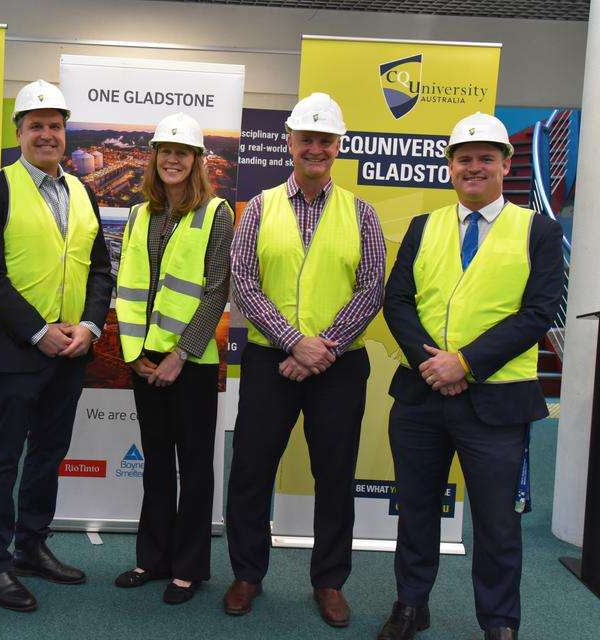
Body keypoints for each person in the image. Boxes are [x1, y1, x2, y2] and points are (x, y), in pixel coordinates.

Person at [377, 113, 563, 640]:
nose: (474, 167)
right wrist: (430, 364)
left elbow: (539, 311)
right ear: (450, 168)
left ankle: (500, 621)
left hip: (497, 404)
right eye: (464, 158)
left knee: (498, 523)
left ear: (506, 164)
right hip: (420, 396)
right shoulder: (424, 226)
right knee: (416, 511)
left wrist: (466, 362)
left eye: (486, 158)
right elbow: (397, 301)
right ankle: (410, 605)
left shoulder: (539, 230)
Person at [225, 92, 385, 626]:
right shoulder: (260, 208)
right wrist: (293, 341)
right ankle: (247, 573)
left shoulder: (362, 213)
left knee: (335, 474)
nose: (315, 148)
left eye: (325, 140)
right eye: (306, 139)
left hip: (339, 365)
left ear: (337, 147)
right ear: (289, 143)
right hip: (274, 361)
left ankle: (329, 581)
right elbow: (244, 282)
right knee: (250, 470)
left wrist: (323, 348)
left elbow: (370, 290)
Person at [0, 79, 113, 612]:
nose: (47, 135)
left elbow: (99, 268)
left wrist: (89, 327)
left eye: (54, 126)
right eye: (36, 126)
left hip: (72, 350)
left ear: (65, 131)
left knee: (49, 454)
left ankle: (31, 546)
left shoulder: (83, 190)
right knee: (4, 457)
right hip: (17, 350)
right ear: (19, 132)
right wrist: (37, 330)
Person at [112, 112, 233, 605]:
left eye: (183, 152)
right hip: (145, 361)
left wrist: (180, 354)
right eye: (166, 151)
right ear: (155, 158)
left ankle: (189, 567)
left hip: (191, 364)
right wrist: (137, 355)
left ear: (198, 161)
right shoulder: (141, 214)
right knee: (157, 462)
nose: (173, 159)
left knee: (195, 465)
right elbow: (129, 286)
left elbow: (216, 289)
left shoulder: (216, 213)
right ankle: (153, 557)